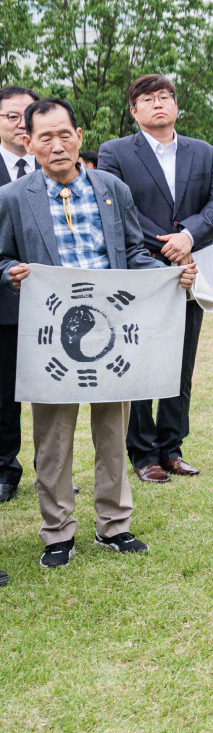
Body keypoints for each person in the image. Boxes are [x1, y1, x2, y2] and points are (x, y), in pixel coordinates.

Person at [0, 98, 196, 568]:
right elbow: (1, 256)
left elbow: (134, 252)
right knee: (53, 439)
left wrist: (169, 276)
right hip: (52, 337)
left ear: (79, 137)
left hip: (111, 332)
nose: (57, 145)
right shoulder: (13, 198)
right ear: (28, 142)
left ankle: (114, 524)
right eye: (45, 137)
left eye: (64, 134)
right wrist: (10, 272)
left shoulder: (111, 189)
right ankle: (57, 532)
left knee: (112, 432)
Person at [98, 74, 213, 484]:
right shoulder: (115, 152)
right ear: (133, 110)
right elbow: (116, 206)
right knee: (139, 359)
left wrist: (188, 235)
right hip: (140, 269)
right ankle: (143, 453)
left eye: (165, 96)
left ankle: (172, 448)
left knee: (181, 362)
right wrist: (168, 243)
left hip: (191, 268)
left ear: (176, 105)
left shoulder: (203, 152)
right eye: (148, 98)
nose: (158, 103)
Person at [0, 85, 39, 504]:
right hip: (4, 300)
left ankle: (52, 469)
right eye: (11, 115)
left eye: (27, 115)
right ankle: (5, 468)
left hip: (52, 304)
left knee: (51, 392)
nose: (20, 123)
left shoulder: (55, 167)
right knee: (4, 395)